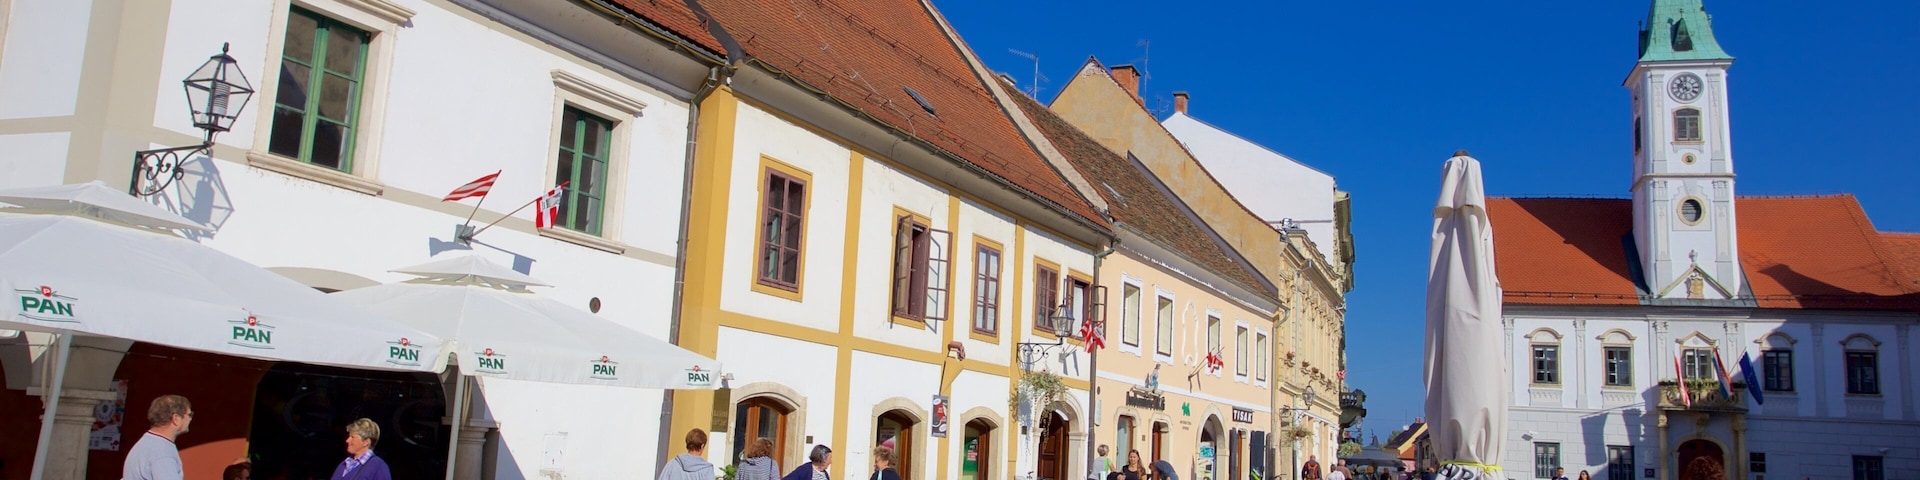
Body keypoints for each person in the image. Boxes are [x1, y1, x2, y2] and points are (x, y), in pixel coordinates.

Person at [124, 394, 192, 480]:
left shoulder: (148, 443)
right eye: (189, 415)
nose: (190, 419)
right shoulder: (162, 452)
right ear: (176, 419)